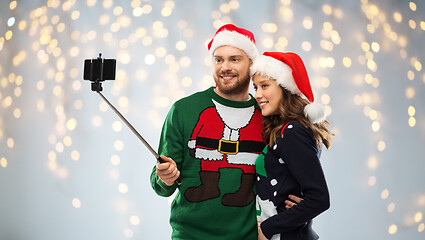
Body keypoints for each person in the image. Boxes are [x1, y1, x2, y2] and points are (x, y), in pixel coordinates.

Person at [150, 24, 265, 240]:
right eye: (218, 59)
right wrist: (165, 177)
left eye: (234, 59)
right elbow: (160, 186)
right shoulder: (184, 110)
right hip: (189, 236)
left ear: (251, 64)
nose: (225, 67)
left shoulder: (267, 114)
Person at [251, 52, 333, 240]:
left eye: (265, 86)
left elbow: (319, 198)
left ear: (285, 88)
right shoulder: (281, 130)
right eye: (256, 87)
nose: (257, 94)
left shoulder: (292, 131)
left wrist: (268, 228)